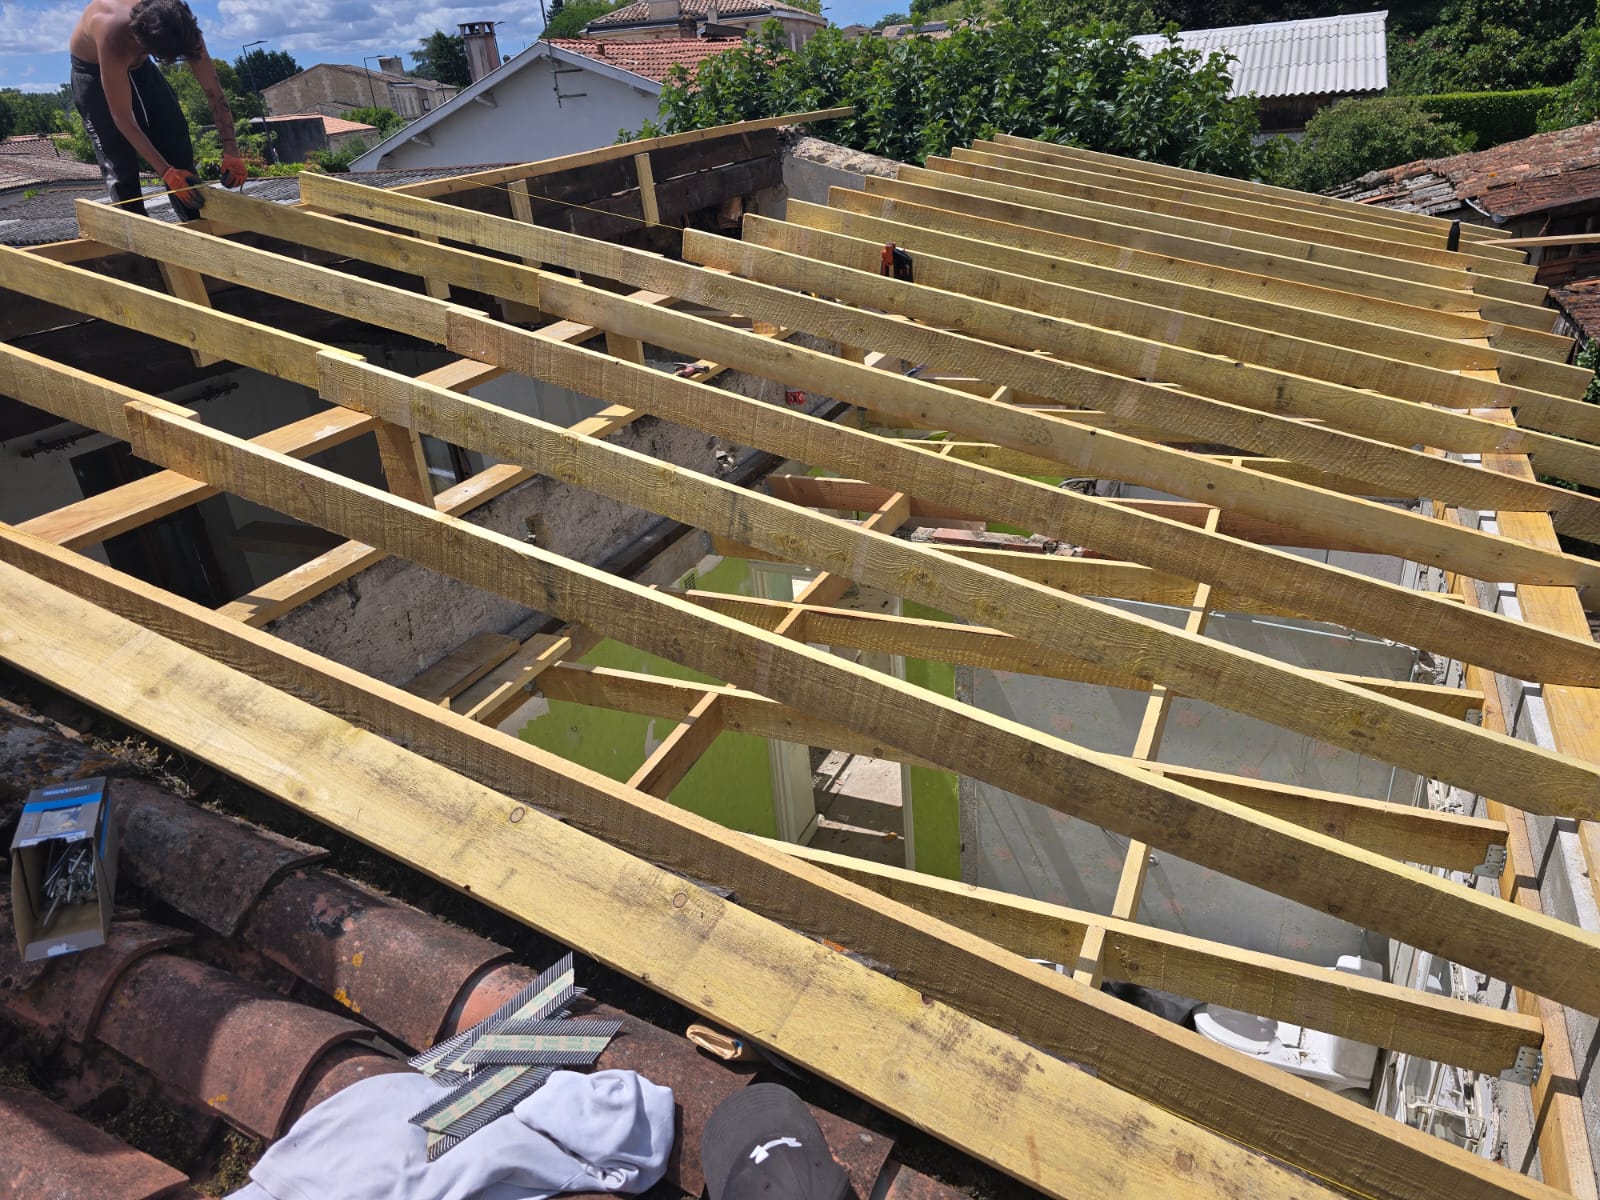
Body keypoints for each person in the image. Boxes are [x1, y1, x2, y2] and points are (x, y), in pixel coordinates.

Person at [68, 0, 247, 220]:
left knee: (175, 139)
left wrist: (232, 152)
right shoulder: (112, 33)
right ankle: (141, 242)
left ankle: (199, 224)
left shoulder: (179, 24)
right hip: (93, 72)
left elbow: (214, 92)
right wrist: (166, 172)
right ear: (144, 44)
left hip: (141, 67)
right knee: (120, 164)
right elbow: (122, 118)